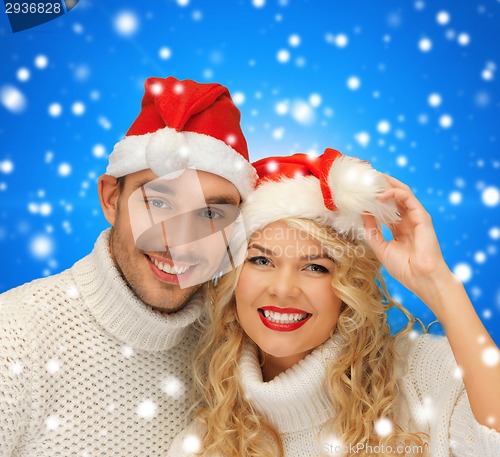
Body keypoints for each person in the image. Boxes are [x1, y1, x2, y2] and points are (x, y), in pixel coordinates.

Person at [168, 149, 500, 456]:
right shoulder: (203, 444)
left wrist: (438, 283)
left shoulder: (422, 374)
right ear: (232, 278)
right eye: (261, 261)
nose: (283, 289)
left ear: (348, 286)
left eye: (315, 267)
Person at [0, 76, 257, 456]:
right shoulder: (16, 338)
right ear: (110, 198)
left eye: (209, 212)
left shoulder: (232, 342)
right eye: (160, 202)